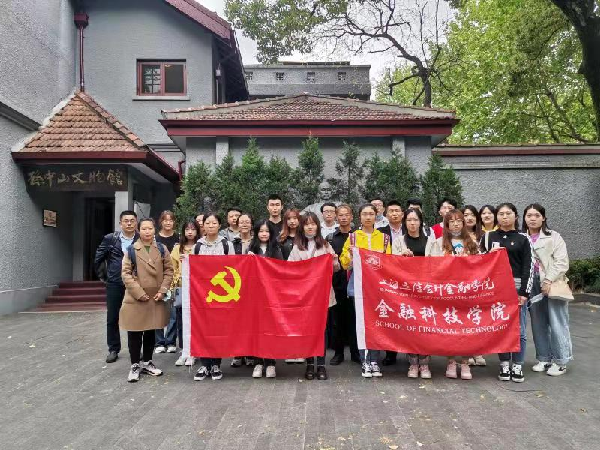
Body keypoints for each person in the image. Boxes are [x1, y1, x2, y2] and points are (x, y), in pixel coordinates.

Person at [481, 203, 533, 383]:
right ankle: (504, 363)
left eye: (508, 213)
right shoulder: (488, 237)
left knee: (519, 328)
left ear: (515, 216)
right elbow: (476, 262)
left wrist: (525, 292)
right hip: (495, 287)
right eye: (501, 214)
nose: (504, 217)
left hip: (516, 286)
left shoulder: (523, 238)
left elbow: (528, 267)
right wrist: (489, 254)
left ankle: (517, 364)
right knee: (500, 326)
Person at [340, 204, 392, 378]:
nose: (368, 217)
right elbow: (344, 264)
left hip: (378, 287)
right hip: (359, 286)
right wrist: (349, 254)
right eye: (365, 214)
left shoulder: (384, 238)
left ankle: (375, 360)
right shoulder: (353, 237)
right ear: (359, 217)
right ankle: (364, 360)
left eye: (371, 214)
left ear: (376, 216)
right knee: (362, 323)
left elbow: (389, 263)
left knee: (376, 323)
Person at [120, 218, 174, 382]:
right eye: (144, 228)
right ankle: (135, 365)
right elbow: (126, 274)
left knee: (151, 330)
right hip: (136, 297)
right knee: (135, 332)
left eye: (150, 228)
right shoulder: (131, 249)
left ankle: (147, 362)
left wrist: (163, 290)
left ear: (154, 229)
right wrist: (138, 292)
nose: (147, 231)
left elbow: (169, 271)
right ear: (139, 230)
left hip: (155, 297)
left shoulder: (162, 249)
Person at [429, 209, 480, 380]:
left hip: (467, 292)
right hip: (447, 292)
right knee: (449, 327)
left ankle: (465, 362)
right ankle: (451, 361)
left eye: (459, 220)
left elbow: (481, 265)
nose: (456, 224)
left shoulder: (472, 242)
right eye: (452, 221)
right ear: (446, 225)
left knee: (467, 328)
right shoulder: (437, 243)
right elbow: (431, 266)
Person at [288, 212, 339, 380]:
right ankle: (310, 364)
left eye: (313, 224)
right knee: (307, 330)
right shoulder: (297, 247)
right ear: (302, 227)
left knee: (322, 330)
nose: (310, 227)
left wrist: (334, 260)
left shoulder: (325, 245)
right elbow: (290, 268)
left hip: (323, 294)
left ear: (318, 226)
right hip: (304, 296)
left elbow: (336, 269)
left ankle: (321, 365)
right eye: (306, 224)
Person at [524, 204, 572, 376]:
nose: (533, 218)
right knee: (538, 322)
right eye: (529, 215)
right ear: (524, 218)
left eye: (537, 215)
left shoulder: (554, 236)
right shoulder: (522, 237)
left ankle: (561, 361)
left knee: (557, 321)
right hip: (531, 283)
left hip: (552, 281)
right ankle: (544, 358)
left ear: (543, 218)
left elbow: (562, 262)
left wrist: (548, 279)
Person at [391, 207, 436, 378]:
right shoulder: (398, 241)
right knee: (410, 326)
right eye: (409, 220)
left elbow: (437, 264)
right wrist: (401, 258)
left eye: (415, 220)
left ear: (421, 222)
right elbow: (391, 264)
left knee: (424, 325)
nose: (412, 223)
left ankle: (424, 362)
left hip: (426, 289)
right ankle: (412, 362)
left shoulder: (431, 241)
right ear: (405, 222)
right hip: (406, 290)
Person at [192, 213, 235, 381]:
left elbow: (234, 267)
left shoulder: (227, 245)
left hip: (221, 295)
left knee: (218, 330)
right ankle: (204, 364)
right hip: (202, 295)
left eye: (214, 223)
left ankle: (216, 364)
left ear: (219, 225)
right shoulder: (197, 246)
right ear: (203, 226)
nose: (210, 226)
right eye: (207, 223)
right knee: (202, 328)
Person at [94, 210, 139, 364]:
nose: (129, 223)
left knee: (135, 316)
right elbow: (98, 258)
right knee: (112, 317)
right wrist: (105, 277)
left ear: (136, 222)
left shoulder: (141, 239)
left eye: (132, 220)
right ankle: (113, 349)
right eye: (126, 221)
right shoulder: (111, 239)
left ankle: (135, 348)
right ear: (120, 223)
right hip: (115, 283)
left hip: (135, 284)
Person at [247, 220, 284, 378]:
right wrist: (248, 260)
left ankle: (270, 363)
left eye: (267, 231)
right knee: (255, 329)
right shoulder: (250, 249)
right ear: (256, 233)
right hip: (254, 296)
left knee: (270, 329)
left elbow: (280, 270)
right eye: (261, 231)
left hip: (271, 295)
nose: (264, 234)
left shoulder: (276, 249)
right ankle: (258, 362)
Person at [327, 204, 359, 366]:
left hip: (356, 282)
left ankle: (355, 353)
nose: (344, 218)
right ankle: (338, 353)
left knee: (355, 319)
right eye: (340, 215)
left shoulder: (358, 235)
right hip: (337, 283)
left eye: (347, 215)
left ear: (352, 217)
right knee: (337, 320)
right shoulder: (331, 238)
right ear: (336, 217)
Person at [378, 200, 405, 366]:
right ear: (386, 214)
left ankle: (412, 353)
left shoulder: (411, 230)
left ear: (402, 214)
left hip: (407, 279)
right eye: (391, 211)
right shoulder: (380, 232)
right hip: (387, 278)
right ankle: (390, 352)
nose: (394, 214)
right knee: (391, 314)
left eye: (397, 211)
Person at [170, 220, 201, 367]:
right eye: (187, 229)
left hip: (198, 290)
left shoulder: (200, 246)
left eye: (193, 229)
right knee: (182, 321)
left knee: (196, 321)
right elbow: (172, 269)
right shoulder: (177, 249)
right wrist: (171, 287)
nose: (190, 232)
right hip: (182, 287)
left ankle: (195, 351)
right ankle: (184, 350)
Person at [461, 205, 486, 367]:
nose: (469, 218)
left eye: (472, 215)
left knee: (478, 317)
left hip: (480, 281)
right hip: (462, 282)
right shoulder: (457, 236)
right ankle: (467, 352)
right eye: (465, 215)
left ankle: (478, 351)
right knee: (465, 318)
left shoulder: (484, 236)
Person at [231, 212, 255, 368]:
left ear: (251, 224)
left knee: (252, 321)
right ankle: (238, 353)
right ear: (237, 224)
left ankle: (251, 353)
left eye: (247, 221)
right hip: (236, 286)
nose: (244, 224)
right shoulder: (232, 243)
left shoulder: (257, 242)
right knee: (237, 321)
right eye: (241, 222)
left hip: (254, 287)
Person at [154, 210, 179, 354]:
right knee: (158, 310)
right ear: (161, 222)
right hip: (158, 278)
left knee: (174, 311)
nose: (168, 222)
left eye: (171, 220)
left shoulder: (178, 238)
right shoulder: (155, 239)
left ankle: (170, 341)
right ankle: (159, 342)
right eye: (165, 220)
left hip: (175, 279)